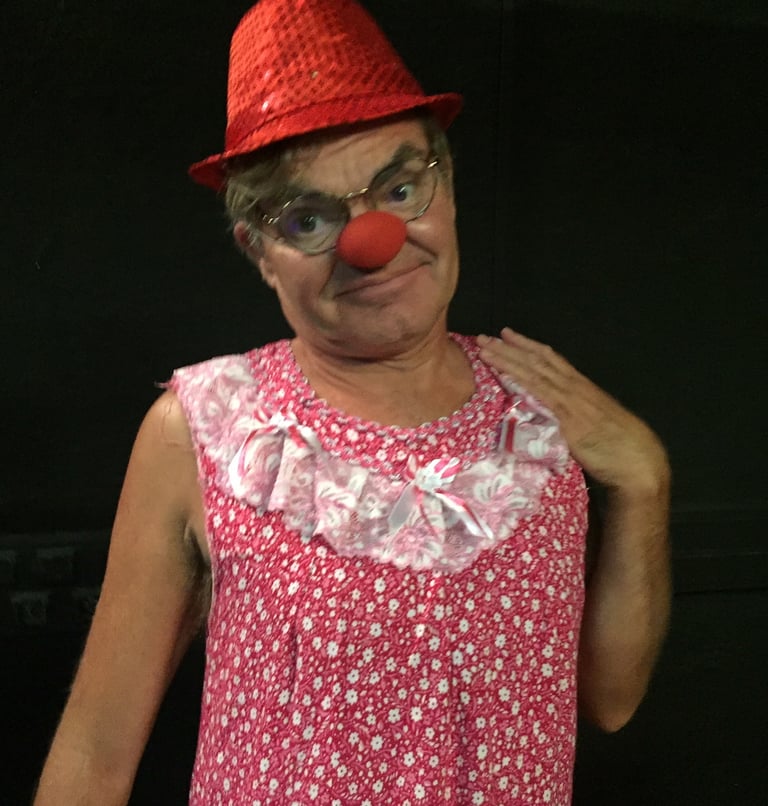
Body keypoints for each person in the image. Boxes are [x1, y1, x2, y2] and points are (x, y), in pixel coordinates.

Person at [34, 1, 671, 804]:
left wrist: (645, 480)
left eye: (400, 188)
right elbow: (96, 748)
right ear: (259, 251)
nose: (372, 242)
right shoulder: (205, 428)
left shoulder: (539, 413)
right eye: (308, 218)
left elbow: (611, 701)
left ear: (446, 188)